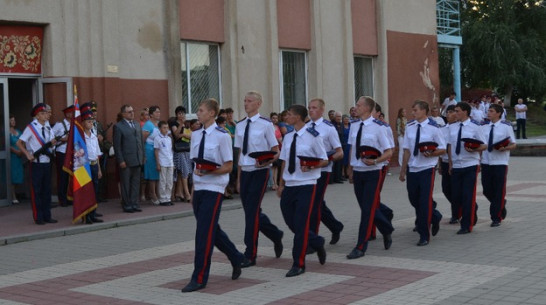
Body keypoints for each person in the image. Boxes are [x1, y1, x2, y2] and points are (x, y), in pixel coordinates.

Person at [181, 98, 245, 293]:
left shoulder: (222, 135)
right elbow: (194, 165)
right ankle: (236, 257)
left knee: (203, 234)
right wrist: (192, 191)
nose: (197, 114)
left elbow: (228, 166)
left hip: (214, 189)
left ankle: (199, 277)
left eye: (200, 110)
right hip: (199, 189)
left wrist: (209, 172)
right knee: (210, 230)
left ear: (211, 114)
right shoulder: (196, 135)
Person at [276, 104, 328, 277]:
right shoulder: (288, 137)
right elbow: (284, 161)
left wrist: (312, 166)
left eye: (289, 114)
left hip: (306, 184)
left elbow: (324, 160)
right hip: (290, 185)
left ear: (297, 117)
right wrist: (281, 184)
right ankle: (317, 241)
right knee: (292, 222)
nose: (286, 117)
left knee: (301, 223)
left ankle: (298, 263)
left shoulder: (313, 136)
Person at [235, 91, 284, 268]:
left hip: (260, 172)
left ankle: (250, 254)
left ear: (258, 104)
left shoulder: (265, 125)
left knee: (251, 213)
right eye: (244, 100)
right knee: (251, 212)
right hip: (246, 171)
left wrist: (267, 162)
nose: (245, 103)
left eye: (249, 101)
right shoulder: (240, 125)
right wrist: (239, 179)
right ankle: (275, 234)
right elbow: (241, 153)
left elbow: (276, 150)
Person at [346, 96, 393, 259]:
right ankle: (387, 228)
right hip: (358, 172)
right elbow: (352, 149)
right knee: (367, 207)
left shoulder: (379, 127)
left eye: (358, 105)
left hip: (373, 172)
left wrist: (375, 161)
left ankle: (360, 246)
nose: (355, 107)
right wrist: (350, 169)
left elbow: (388, 152)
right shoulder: (354, 126)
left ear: (367, 108)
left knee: (367, 210)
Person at [399, 100, 446, 246]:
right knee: (414, 199)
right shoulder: (410, 126)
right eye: (412, 110)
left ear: (424, 111)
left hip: (427, 168)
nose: (413, 113)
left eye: (415, 110)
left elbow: (443, 148)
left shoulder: (434, 128)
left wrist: (432, 154)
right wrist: (403, 170)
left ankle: (424, 234)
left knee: (424, 201)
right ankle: (435, 216)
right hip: (412, 168)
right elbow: (406, 149)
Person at [306, 98, 345, 246]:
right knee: (317, 204)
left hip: (323, 171)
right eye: (309, 108)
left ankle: (313, 241)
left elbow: (339, 152)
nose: (311, 110)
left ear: (322, 110)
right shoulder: (306, 126)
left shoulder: (329, 128)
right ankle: (335, 226)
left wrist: (327, 160)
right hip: (308, 171)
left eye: (314, 108)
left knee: (314, 205)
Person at [448, 102, 486, 234]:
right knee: (456, 196)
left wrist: (474, 149)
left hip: (470, 164)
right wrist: (450, 163)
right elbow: (450, 146)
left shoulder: (475, 127)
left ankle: (466, 225)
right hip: (457, 165)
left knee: (467, 195)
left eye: (457, 111)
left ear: (465, 112)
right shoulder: (452, 127)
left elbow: (484, 145)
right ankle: (471, 209)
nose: (455, 113)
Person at [16, 103, 58, 225]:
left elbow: (51, 142)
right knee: (37, 191)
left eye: (46, 113)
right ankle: (38, 217)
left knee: (47, 190)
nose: (46, 115)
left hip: (47, 162)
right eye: (43, 113)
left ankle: (47, 215)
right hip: (36, 163)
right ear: (37, 115)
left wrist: (53, 143)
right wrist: (27, 154)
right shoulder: (31, 128)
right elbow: (19, 143)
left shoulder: (48, 127)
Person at [481, 103, 517, 227]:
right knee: (486, 190)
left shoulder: (506, 126)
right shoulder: (484, 126)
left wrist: (505, 148)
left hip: (500, 162)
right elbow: (482, 143)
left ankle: (496, 217)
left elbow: (513, 144)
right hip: (486, 161)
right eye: (488, 111)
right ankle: (501, 203)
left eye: (491, 111)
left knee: (498, 189)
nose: (488, 113)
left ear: (498, 113)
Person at [113, 104, 145, 213]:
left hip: (137, 159)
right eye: (129, 112)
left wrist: (143, 156)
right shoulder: (118, 126)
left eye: (132, 111)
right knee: (126, 184)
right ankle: (127, 205)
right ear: (123, 114)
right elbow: (117, 146)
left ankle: (134, 203)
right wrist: (120, 160)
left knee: (136, 183)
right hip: (126, 161)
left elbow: (141, 142)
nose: (132, 113)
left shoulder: (137, 124)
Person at [82, 110, 104, 224]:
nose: (91, 123)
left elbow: (97, 154)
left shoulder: (94, 137)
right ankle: (86, 215)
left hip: (94, 165)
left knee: (94, 191)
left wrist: (99, 169)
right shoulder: (81, 137)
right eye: (88, 121)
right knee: (86, 192)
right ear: (83, 123)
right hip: (84, 167)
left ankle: (93, 213)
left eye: (92, 122)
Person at [439, 105, 459, 224]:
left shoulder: (459, 127)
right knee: (446, 189)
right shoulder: (442, 129)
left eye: (451, 112)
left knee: (456, 189)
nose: (448, 114)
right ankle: (460, 206)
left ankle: (455, 214)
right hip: (445, 162)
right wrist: (440, 165)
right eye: (447, 112)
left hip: (457, 163)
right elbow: (441, 147)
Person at [52, 105, 74, 207]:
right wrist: (62, 139)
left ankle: (69, 197)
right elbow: (51, 138)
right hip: (62, 153)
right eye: (71, 113)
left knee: (71, 176)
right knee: (63, 176)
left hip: (72, 153)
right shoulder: (59, 125)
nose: (73, 115)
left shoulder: (75, 125)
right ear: (67, 114)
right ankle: (62, 199)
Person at [171, 106, 192, 202]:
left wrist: (183, 135)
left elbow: (190, 136)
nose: (181, 115)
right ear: (176, 115)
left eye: (183, 113)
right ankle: (187, 194)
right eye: (179, 113)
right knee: (184, 170)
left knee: (183, 172)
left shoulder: (187, 124)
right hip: (178, 150)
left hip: (186, 149)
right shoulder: (174, 123)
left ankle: (179, 192)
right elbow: (176, 134)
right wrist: (181, 125)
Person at [154, 120, 174, 206]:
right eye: (164, 128)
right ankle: (163, 199)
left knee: (169, 181)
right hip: (162, 162)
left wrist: (172, 162)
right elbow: (156, 151)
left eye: (167, 128)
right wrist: (158, 163)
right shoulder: (157, 138)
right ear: (159, 129)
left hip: (170, 162)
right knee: (163, 181)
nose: (166, 130)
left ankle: (168, 198)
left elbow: (170, 151)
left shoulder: (169, 138)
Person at [9, 114, 23, 204]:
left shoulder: (18, 131)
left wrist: (22, 151)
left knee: (18, 176)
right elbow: (6, 144)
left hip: (19, 157)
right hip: (11, 157)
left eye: (14, 120)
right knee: (12, 177)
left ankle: (15, 194)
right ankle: (12, 196)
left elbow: (23, 141)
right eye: (11, 120)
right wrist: (16, 151)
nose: (13, 122)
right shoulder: (6, 132)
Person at [270, 112, 283, 190]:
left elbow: (280, 137)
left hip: (278, 148)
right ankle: (272, 183)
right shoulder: (269, 127)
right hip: (272, 148)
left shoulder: (277, 127)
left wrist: (280, 141)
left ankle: (275, 183)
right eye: (273, 118)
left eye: (276, 118)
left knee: (276, 166)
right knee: (272, 166)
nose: (275, 119)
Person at [341, 114, 351, 179]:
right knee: (343, 160)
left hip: (349, 144)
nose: (346, 120)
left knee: (348, 159)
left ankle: (348, 173)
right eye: (345, 119)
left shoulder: (350, 126)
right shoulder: (342, 127)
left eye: (347, 119)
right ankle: (342, 173)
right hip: (343, 144)